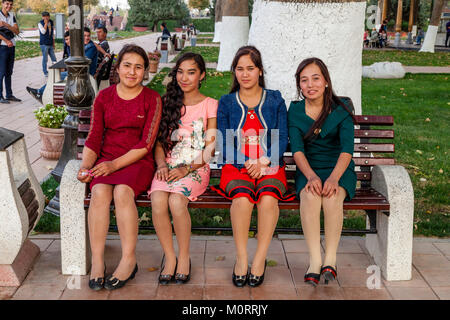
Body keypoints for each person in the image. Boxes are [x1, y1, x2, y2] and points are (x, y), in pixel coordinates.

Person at [77, 44, 162, 291]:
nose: (132, 72)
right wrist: (86, 166)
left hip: (136, 161)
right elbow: (93, 137)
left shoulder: (151, 98)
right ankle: (98, 261)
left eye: (138, 67)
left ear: (145, 71)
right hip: (106, 159)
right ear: (118, 68)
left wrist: (113, 165)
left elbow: (147, 144)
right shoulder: (104, 97)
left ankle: (128, 259)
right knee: (100, 193)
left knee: (122, 192)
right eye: (127, 65)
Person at [212, 46, 294, 288]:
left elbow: (282, 137)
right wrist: (246, 161)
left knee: (268, 199)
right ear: (234, 72)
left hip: (269, 163)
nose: (245, 74)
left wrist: (265, 161)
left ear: (260, 71)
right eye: (240, 69)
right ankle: (241, 258)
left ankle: (259, 259)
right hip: (238, 165)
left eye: (250, 68)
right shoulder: (227, 102)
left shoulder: (275, 99)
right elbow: (224, 141)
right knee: (243, 200)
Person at [149, 52, 218, 285]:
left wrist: (186, 169)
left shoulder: (210, 105)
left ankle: (184, 257)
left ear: (202, 75)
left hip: (196, 166)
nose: (184, 78)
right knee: (158, 200)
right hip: (167, 164)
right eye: (180, 72)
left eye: (191, 72)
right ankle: (170, 257)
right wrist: (161, 165)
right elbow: (158, 143)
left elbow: (210, 150)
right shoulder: (167, 103)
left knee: (177, 201)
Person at [288, 57, 356, 287]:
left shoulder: (342, 107)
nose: (310, 84)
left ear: (326, 80)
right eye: (304, 80)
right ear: (299, 85)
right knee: (309, 196)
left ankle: (331, 259)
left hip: (339, 168)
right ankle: (315, 261)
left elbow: (347, 149)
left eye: (315, 78)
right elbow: (297, 150)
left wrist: (334, 178)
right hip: (309, 168)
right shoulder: (295, 110)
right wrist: (311, 176)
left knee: (331, 197)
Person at [27, 27, 98, 104]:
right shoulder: (82, 46)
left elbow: (82, 63)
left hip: (85, 74)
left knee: (58, 75)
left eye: (88, 36)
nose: (87, 38)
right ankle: (41, 93)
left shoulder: (91, 47)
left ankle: (40, 93)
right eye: (84, 36)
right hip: (79, 72)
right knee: (57, 74)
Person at [0, 0, 21, 104]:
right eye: (7, 4)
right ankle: (0, 96)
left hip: (12, 46)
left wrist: (5, 25)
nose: (9, 6)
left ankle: (9, 95)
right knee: (2, 72)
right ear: (2, 3)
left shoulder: (12, 15)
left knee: (9, 72)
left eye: (11, 4)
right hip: (2, 46)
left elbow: (17, 31)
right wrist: (6, 40)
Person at [38, 11, 56, 77]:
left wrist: (53, 43)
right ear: (42, 17)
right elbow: (43, 32)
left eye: (47, 16)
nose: (46, 18)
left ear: (49, 16)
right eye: (44, 16)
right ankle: (45, 72)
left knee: (54, 58)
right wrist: (45, 24)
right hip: (44, 43)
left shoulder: (51, 22)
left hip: (50, 43)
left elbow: (52, 33)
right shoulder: (40, 23)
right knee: (45, 59)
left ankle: (55, 71)